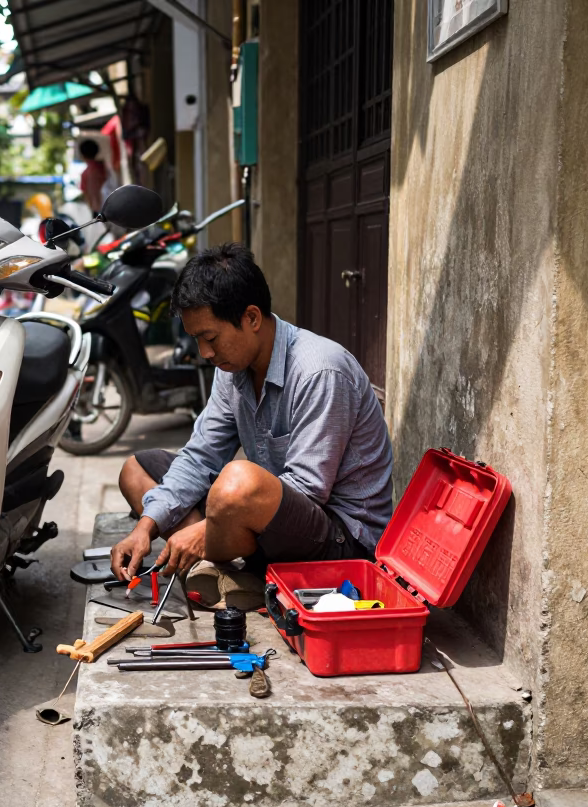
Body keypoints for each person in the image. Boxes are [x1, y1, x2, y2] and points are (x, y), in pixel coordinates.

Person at [109, 243, 394, 609]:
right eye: (197, 340)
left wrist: (204, 530)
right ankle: (231, 575)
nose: (205, 353)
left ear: (252, 318)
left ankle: (225, 568)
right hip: (272, 520)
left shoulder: (320, 370)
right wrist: (144, 528)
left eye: (210, 338)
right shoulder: (232, 367)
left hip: (341, 542)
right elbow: (200, 457)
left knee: (238, 485)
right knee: (137, 471)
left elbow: (308, 490)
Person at [78, 139, 112, 214]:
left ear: (82, 155)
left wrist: (92, 208)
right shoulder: (105, 167)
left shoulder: (85, 174)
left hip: (100, 211)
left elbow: (87, 195)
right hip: (113, 204)